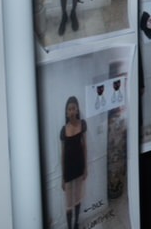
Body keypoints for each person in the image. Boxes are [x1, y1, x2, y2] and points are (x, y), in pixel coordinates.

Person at [60, 95, 88, 229]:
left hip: (79, 167)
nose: (71, 111)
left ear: (77, 110)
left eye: (73, 108)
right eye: (69, 109)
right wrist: (62, 177)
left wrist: (86, 168)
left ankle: (76, 223)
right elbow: (62, 154)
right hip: (68, 171)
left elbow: (85, 147)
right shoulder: (63, 130)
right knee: (68, 204)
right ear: (66, 112)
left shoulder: (82, 125)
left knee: (77, 198)